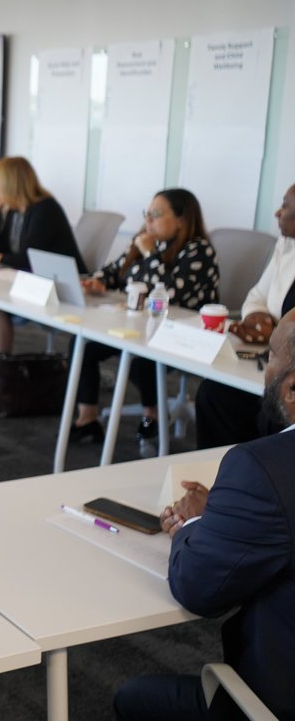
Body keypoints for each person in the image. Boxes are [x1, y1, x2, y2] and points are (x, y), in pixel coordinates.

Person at [113, 309, 295, 721]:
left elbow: (197, 587)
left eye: (269, 358)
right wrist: (236, 513)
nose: (265, 369)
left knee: (132, 697)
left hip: (275, 704)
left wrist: (193, 524)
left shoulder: (262, 469)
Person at [71, 189, 219, 451]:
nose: (148, 221)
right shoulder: (146, 242)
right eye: (146, 214)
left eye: (156, 214)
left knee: (142, 364)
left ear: (182, 219)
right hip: (137, 325)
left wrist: (151, 255)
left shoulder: (199, 251)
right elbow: (116, 271)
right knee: (83, 344)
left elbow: (171, 293)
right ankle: (88, 418)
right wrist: (98, 281)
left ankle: (152, 417)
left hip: (179, 333)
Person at [196, 182, 295, 448]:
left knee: (268, 415)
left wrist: (272, 331)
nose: (277, 213)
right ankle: (223, 476)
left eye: (285, 206)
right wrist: (257, 319)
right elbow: (256, 296)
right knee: (213, 392)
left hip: (287, 373)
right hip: (268, 358)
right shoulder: (286, 246)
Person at [0, 156, 85, 355]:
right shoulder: (15, 211)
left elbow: (26, 258)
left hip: (58, 285)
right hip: (30, 278)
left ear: (11, 184)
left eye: (0, 183)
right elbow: (0, 247)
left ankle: (1, 364)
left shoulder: (45, 209)